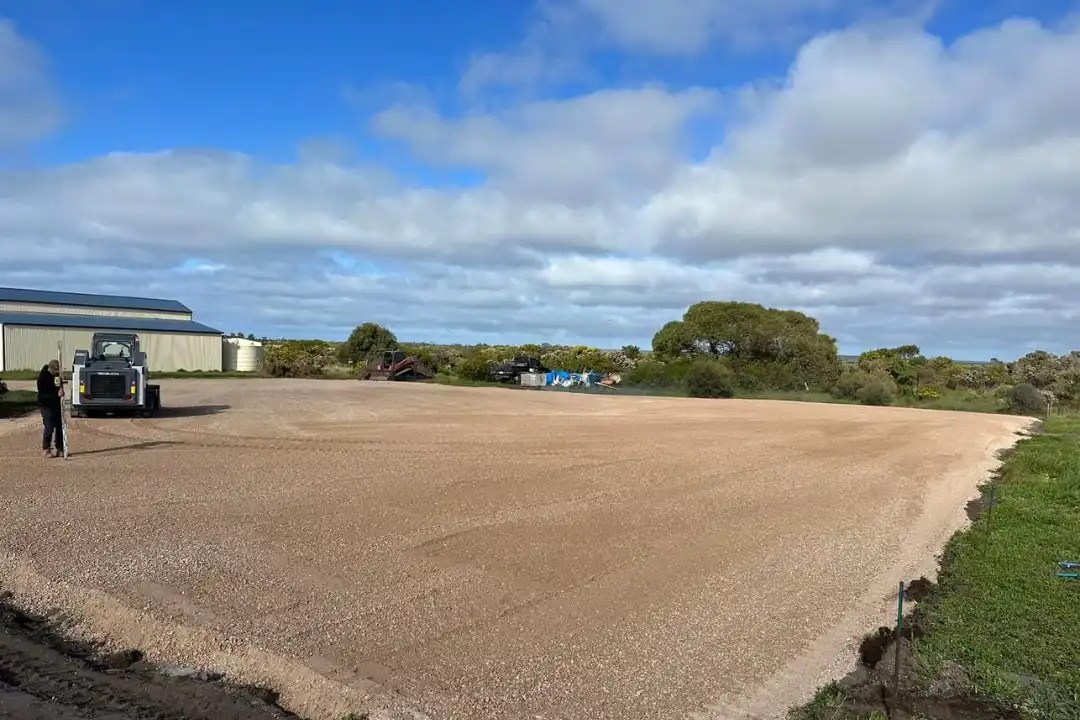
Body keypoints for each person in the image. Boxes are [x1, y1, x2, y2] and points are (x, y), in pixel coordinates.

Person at [36, 359, 65, 458]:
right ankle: (46, 448)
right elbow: (44, 395)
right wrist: (56, 394)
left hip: (56, 404)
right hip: (46, 405)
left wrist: (60, 388)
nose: (56, 372)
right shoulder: (43, 378)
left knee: (60, 426)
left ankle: (60, 447)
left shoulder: (56, 377)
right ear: (50, 368)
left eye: (58, 370)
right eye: (55, 370)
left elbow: (58, 387)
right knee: (49, 426)